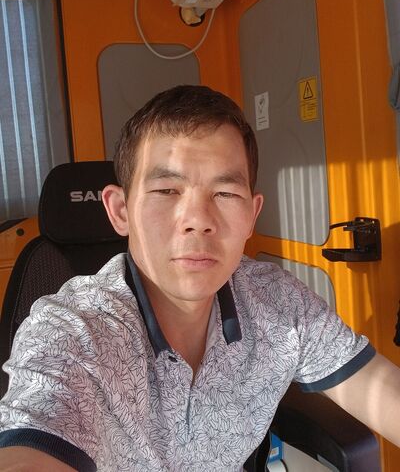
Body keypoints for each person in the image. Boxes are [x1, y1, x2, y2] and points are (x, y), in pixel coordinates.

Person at [0, 85, 399, 471]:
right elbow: (33, 439)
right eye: (167, 190)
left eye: (225, 194)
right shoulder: (73, 331)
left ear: (251, 216)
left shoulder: (279, 302)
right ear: (120, 210)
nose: (198, 220)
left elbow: (379, 389)